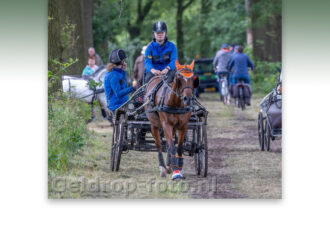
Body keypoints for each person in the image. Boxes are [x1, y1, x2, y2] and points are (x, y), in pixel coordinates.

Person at [104, 49, 137, 114]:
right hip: (117, 106)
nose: (125, 62)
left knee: (137, 108)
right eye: (124, 60)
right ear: (122, 62)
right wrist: (132, 87)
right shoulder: (114, 75)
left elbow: (124, 86)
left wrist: (123, 70)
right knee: (136, 113)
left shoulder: (118, 73)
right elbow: (118, 94)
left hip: (124, 102)